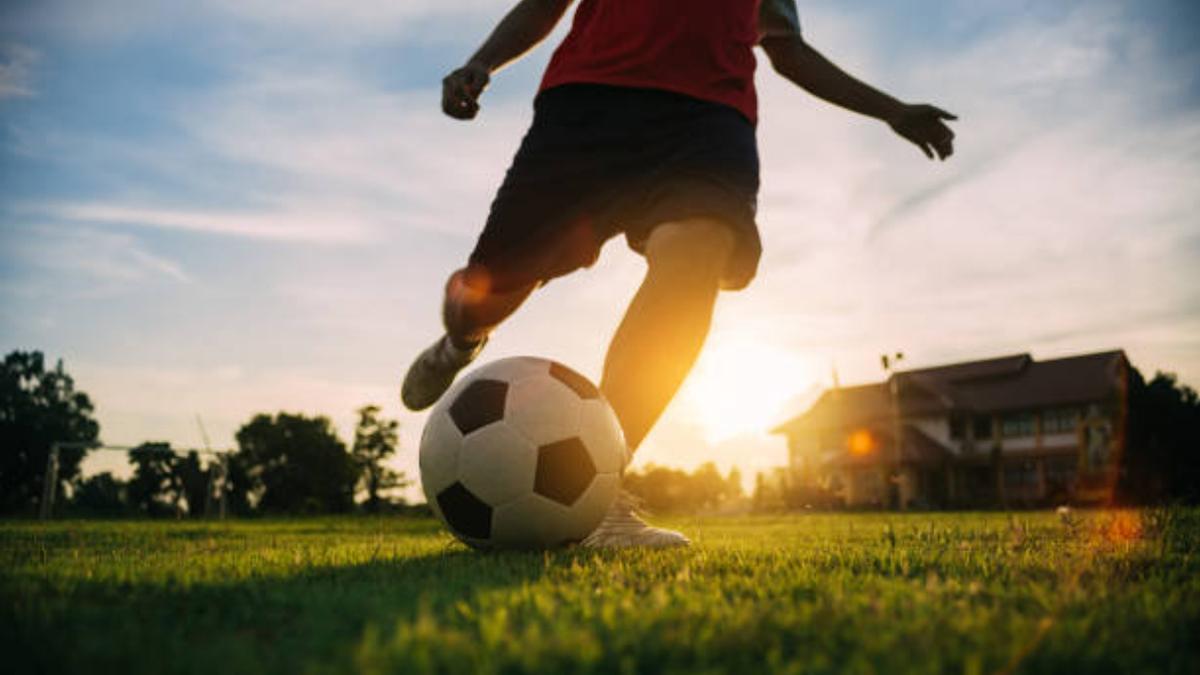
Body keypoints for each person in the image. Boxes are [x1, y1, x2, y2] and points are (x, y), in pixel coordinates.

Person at [402, 0, 956, 547]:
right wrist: (483, 62)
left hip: (707, 123)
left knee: (698, 253)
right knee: (482, 293)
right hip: (587, 108)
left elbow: (789, 52)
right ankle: (459, 342)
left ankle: (599, 496)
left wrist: (892, 110)